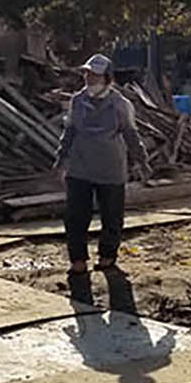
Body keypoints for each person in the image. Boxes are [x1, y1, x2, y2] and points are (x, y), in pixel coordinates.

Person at [55, 53, 145, 274]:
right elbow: (70, 130)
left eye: (94, 75)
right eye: (87, 74)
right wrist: (61, 158)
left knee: (112, 215)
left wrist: (141, 160)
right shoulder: (78, 100)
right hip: (80, 166)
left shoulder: (120, 104)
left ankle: (107, 255)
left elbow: (131, 134)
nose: (89, 79)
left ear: (106, 78)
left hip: (111, 167)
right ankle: (77, 259)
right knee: (76, 215)